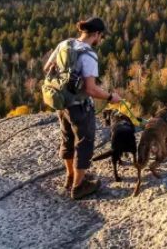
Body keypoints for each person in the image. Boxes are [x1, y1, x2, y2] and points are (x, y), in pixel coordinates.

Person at [44, 17, 121, 200]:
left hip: (62, 103)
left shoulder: (65, 44)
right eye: (101, 37)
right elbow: (91, 89)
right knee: (84, 144)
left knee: (67, 138)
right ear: (96, 34)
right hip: (80, 107)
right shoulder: (89, 55)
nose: (100, 40)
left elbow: (47, 67)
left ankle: (70, 176)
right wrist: (111, 97)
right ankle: (79, 186)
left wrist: (65, 78)